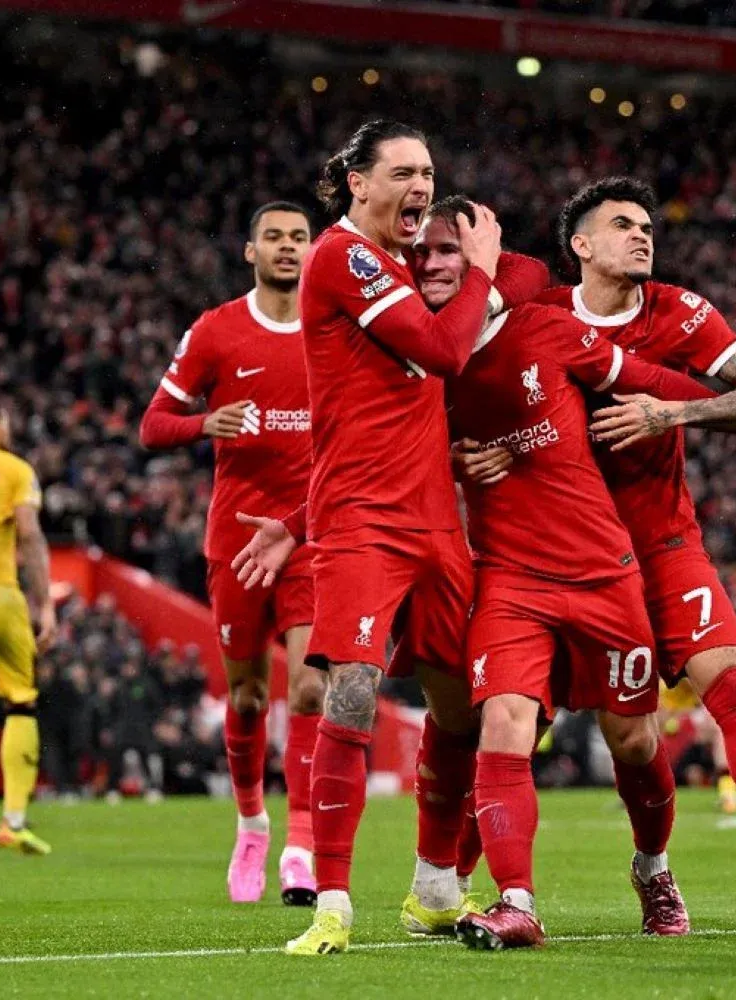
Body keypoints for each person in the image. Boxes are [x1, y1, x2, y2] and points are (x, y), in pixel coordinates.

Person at [231, 121, 544, 956]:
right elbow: (441, 352)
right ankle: (331, 899)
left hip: (439, 521)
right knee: (354, 690)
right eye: (403, 172)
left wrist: (481, 257)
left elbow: (532, 283)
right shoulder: (344, 256)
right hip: (365, 521)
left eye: (430, 173)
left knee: (459, 711)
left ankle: (435, 884)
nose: (420, 186)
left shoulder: (410, 267)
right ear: (355, 182)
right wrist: (479, 266)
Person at [411, 196, 735, 948]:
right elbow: (386, 448)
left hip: (602, 572)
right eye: (422, 254)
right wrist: (452, 459)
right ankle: (515, 901)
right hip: (510, 580)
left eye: (449, 252)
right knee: (504, 723)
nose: (431, 265)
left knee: (635, 744)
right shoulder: (422, 361)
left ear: (481, 262)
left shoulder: (549, 327)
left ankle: (653, 868)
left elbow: (651, 378)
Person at [541, 176, 736, 918]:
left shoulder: (680, 311)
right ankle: (624, 871)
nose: (643, 234)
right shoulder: (539, 316)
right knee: (621, 739)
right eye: (622, 224)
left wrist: (671, 412)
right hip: (568, 556)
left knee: (730, 684)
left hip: (667, 544)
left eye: (648, 224)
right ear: (581, 245)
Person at [139, 202, 324, 906]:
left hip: (309, 536)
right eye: (273, 237)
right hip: (238, 541)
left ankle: (301, 847)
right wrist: (203, 423)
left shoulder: (333, 329)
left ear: (313, 250)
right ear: (251, 250)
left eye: (298, 237)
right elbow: (153, 425)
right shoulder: (218, 330)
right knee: (247, 694)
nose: (286, 247)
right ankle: (252, 826)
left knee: (309, 687)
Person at [0, 398, 56, 855]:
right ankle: (12, 820)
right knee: (20, 702)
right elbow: (28, 534)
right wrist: (44, 604)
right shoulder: (14, 470)